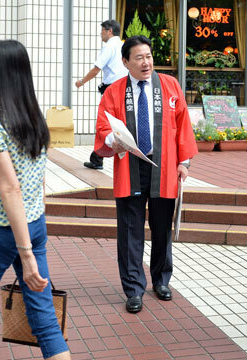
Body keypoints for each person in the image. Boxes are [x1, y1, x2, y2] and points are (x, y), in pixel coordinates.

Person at [0, 40, 70, 360]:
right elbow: (36, 179)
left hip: (0, 230)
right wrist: (31, 236)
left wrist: (25, 254)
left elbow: (9, 187)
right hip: (34, 223)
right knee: (45, 321)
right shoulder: (35, 117)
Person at [93, 35, 197, 314]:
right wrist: (112, 141)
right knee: (130, 231)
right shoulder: (114, 92)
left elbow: (183, 123)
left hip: (164, 167)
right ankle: (133, 288)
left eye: (148, 56)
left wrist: (184, 162)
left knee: (162, 227)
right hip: (130, 166)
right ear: (125, 62)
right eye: (138, 58)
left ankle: (161, 280)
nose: (146, 62)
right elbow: (104, 129)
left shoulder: (170, 85)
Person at [76, 19, 128, 170]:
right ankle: (99, 157)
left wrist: (82, 81)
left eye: (102, 30)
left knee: (103, 123)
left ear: (109, 31)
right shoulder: (124, 45)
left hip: (111, 91)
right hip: (125, 88)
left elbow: (96, 68)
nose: (101, 33)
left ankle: (97, 159)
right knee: (122, 122)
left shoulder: (109, 46)